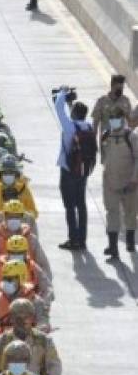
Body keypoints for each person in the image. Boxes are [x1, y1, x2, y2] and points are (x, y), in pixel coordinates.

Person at [55, 85, 93, 250]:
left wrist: (62, 93)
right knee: (81, 205)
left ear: (74, 114)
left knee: (69, 206)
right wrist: (72, 104)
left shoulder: (69, 126)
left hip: (68, 171)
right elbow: (76, 116)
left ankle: (73, 239)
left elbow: (58, 107)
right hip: (83, 171)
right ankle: (82, 239)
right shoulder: (88, 126)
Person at [99, 105, 138, 259]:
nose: (114, 122)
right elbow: (104, 157)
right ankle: (113, 246)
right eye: (112, 119)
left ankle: (129, 241)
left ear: (122, 120)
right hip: (110, 183)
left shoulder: (132, 137)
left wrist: (134, 180)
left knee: (130, 213)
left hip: (129, 183)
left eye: (117, 119)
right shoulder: (106, 135)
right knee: (112, 213)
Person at [91, 74, 132, 143]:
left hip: (122, 142)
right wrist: (92, 141)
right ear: (112, 86)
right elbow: (95, 122)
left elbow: (130, 121)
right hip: (106, 142)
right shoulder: (102, 101)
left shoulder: (125, 101)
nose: (120, 91)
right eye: (118, 89)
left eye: (122, 89)